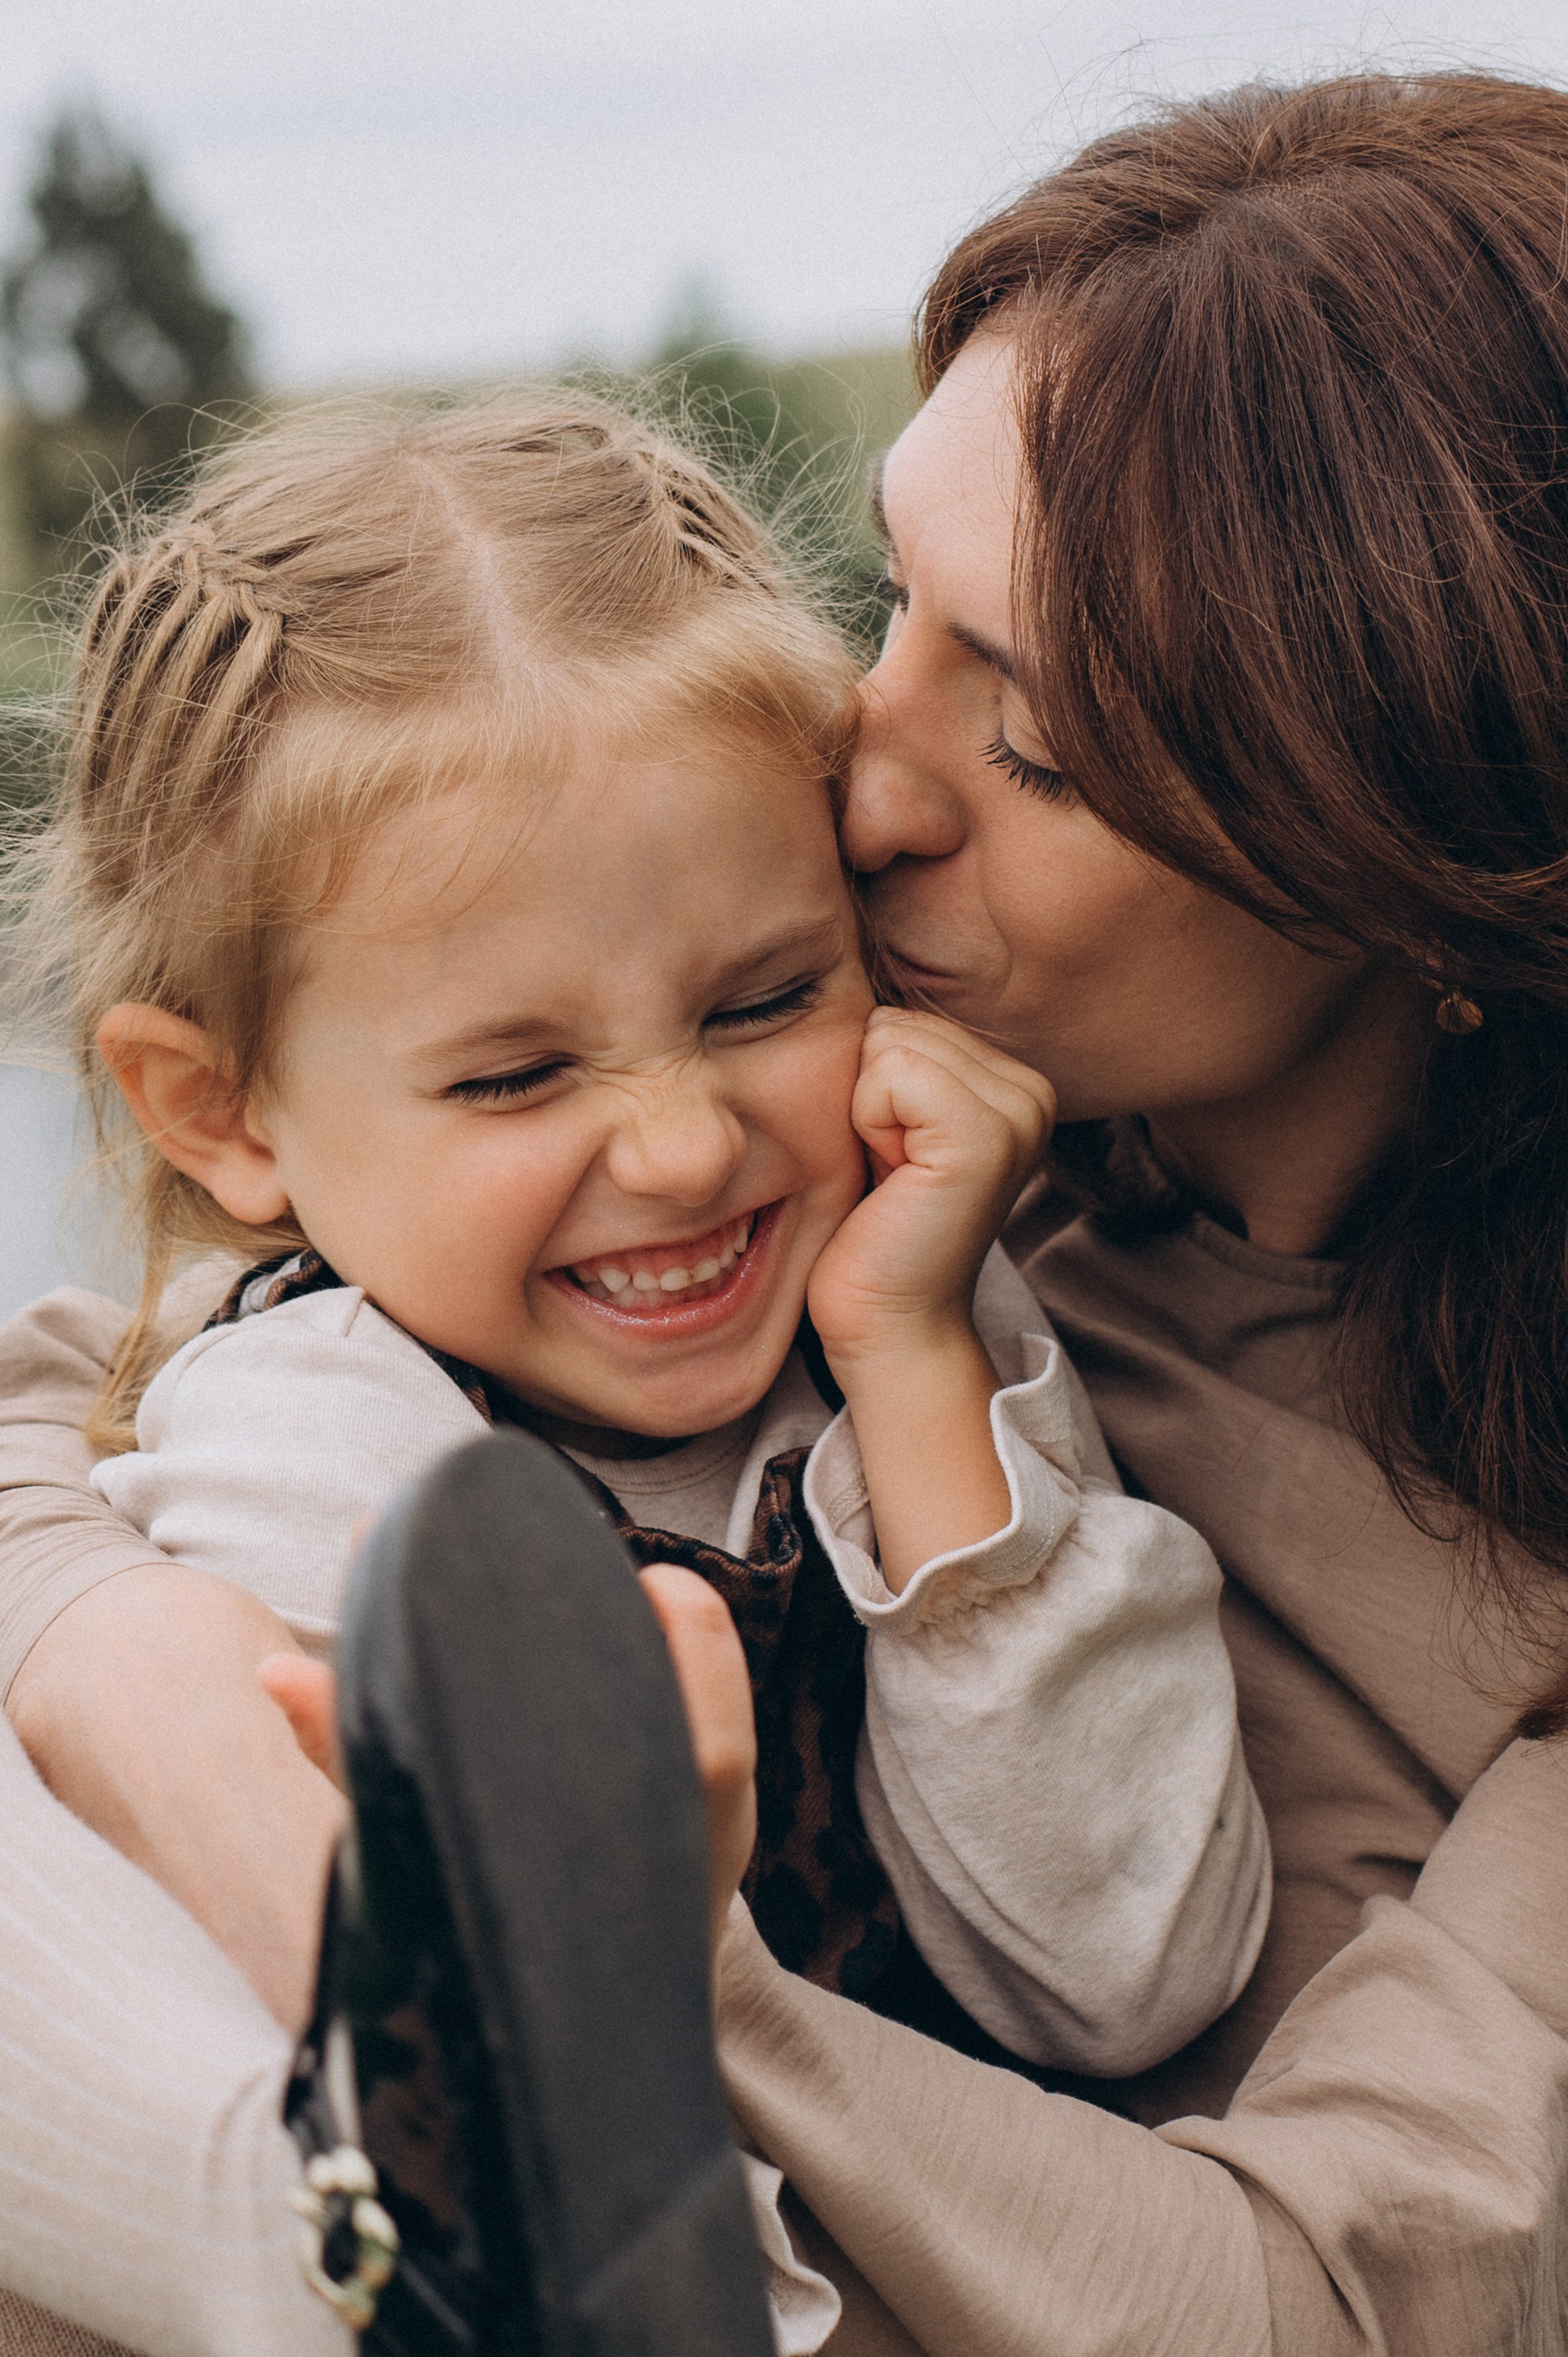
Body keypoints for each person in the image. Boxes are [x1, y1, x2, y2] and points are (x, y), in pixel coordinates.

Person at [4, 57, 1568, 2357]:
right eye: (891, 599)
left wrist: (624, 1960)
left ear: (1412, 864)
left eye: (1032, 737)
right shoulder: (864, 1128)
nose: (861, 771)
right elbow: (101, 1366)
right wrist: (120, 1663)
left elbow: (1310, 2298)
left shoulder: (964, 1273)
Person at [0, 390, 1264, 2351]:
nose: (680, 1148)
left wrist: (921, 1373)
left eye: (765, 1000)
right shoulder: (309, 1442)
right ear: (222, 1113)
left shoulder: (924, 1330)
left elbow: (1124, 1968)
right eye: (515, 1075)